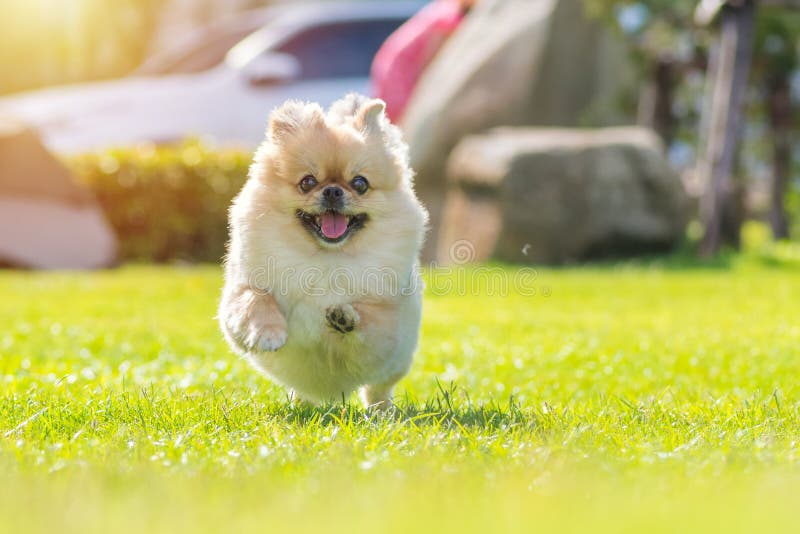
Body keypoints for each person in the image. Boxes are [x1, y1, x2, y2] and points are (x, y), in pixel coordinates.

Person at [370, 0, 475, 123]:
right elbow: (432, 69)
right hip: (401, 88)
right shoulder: (450, 19)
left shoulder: (444, 8)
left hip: (388, 79)